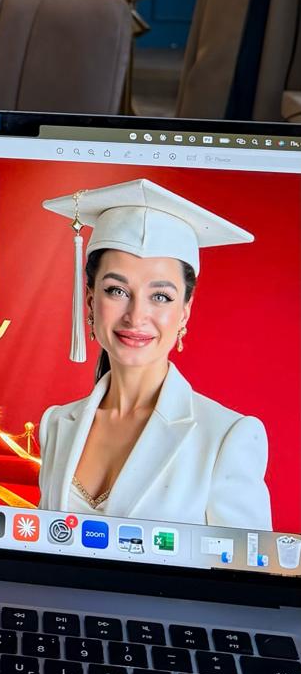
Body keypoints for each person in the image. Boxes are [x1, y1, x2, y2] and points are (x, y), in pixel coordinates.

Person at [37, 179, 271, 529]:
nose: (136, 316)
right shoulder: (56, 424)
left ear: (185, 312)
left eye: (160, 296)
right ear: (90, 300)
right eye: (117, 290)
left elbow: (246, 563)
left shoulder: (225, 437)